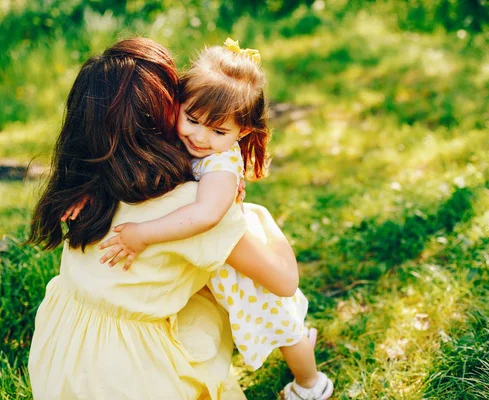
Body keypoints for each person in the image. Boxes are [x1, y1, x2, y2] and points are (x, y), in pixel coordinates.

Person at [26, 37, 301, 400]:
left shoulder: (90, 183)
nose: (200, 136)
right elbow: (284, 282)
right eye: (186, 109)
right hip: (126, 381)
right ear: (164, 111)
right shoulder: (187, 207)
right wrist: (260, 224)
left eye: (217, 130)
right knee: (214, 301)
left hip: (57, 360)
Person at [95, 38, 334, 400]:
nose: (200, 137)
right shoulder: (187, 139)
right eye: (191, 119)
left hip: (243, 271)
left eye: (219, 132)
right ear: (178, 102)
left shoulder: (221, 166)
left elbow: (205, 214)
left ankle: (310, 384)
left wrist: (143, 234)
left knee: (283, 327)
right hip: (216, 260)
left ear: (243, 132)